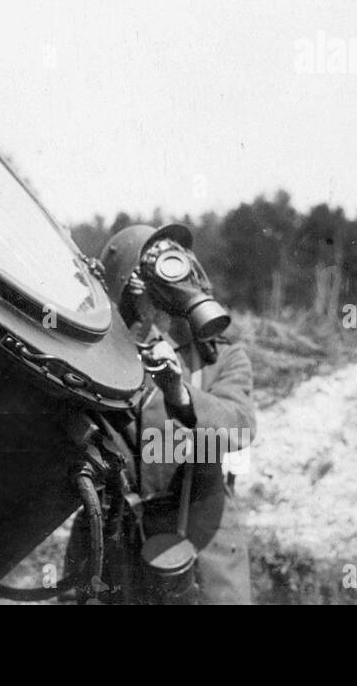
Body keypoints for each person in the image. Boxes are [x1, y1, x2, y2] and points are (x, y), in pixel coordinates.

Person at [72, 223, 255, 604]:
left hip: (203, 546)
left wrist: (180, 393)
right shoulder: (95, 361)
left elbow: (239, 429)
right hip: (114, 545)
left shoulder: (219, 359)